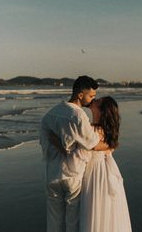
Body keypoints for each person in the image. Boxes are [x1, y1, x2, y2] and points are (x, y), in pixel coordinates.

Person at [39, 76, 109, 232]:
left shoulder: (50, 113)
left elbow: (44, 141)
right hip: (73, 174)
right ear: (80, 95)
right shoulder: (78, 115)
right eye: (91, 96)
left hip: (51, 173)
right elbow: (92, 143)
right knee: (73, 221)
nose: (92, 100)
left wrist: (62, 145)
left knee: (54, 220)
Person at [79, 96, 132, 232]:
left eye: (97, 101)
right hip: (106, 170)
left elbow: (92, 145)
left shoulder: (94, 130)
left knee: (95, 208)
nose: (94, 99)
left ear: (101, 111)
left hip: (97, 173)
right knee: (106, 211)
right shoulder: (104, 131)